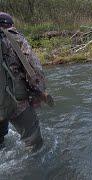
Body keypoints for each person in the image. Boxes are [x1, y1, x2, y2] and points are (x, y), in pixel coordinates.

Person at [0, 12, 50, 151]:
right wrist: (38, 94)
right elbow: (34, 70)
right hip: (16, 102)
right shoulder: (15, 38)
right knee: (34, 142)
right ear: (10, 25)